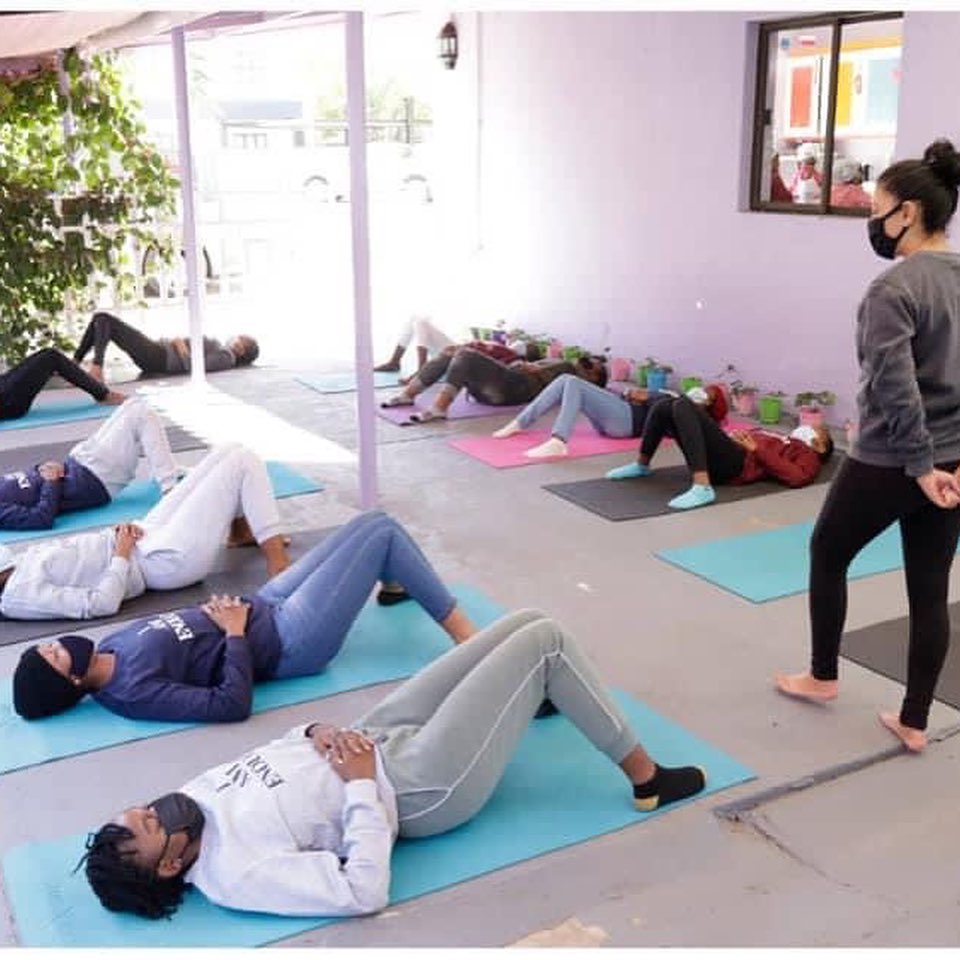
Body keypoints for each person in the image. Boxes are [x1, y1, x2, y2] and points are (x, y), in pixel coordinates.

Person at [79, 607, 707, 920]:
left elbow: (268, 755)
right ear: (169, 863)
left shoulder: (187, 805)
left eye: (138, 810)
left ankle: (528, 697)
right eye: (147, 823)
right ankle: (646, 778)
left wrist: (315, 729)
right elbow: (362, 892)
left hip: (369, 736)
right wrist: (357, 789)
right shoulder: (235, 875)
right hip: (415, 787)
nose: (151, 806)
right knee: (547, 643)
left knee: (526, 620)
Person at [775, 138, 960, 754]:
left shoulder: (893, 289)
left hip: (891, 461)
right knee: (930, 588)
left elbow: (896, 387)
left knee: (827, 550)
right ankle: (914, 722)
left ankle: (823, 676)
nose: (872, 221)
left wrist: (918, 465)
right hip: (950, 466)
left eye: (876, 207)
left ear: (906, 212)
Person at [12, 511, 477, 722]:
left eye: (47, 644)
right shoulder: (132, 693)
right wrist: (234, 634)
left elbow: (183, 636)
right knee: (382, 536)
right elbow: (229, 705)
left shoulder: (108, 648)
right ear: (70, 683)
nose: (57, 643)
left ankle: (398, 582)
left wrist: (213, 611)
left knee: (370, 522)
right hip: (289, 640)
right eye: (52, 655)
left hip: (263, 602)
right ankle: (467, 639)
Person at [0, 443, 290, 621]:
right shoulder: (19, 596)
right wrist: (121, 553)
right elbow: (99, 604)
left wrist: (113, 536)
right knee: (243, 461)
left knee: (229, 449)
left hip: (141, 535)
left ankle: (240, 531)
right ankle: (278, 567)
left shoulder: (15, 566)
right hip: (159, 562)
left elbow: (77, 557)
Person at [605, 394, 833, 510]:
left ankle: (702, 487)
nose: (812, 427)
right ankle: (642, 464)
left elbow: (798, 477)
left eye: (819, 430)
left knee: (683, 405)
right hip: (732, 450)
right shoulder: (783, 438)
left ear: (821, 445)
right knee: (665, 404)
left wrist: (757, 449)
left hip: (738, 464)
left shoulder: (808, 455)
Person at [0, 396, 181, 530]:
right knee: (141, 413)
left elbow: (26, 480)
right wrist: (51, 481)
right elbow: (40, 519)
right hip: (94, 480)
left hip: (80, 462)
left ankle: (162, 472)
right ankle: (170, 489)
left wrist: (41, 467)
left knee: (133, 404)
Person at [492, 377, 727, 459]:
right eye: (706, 388)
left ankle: (559, 441)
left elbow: (667, 423)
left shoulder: (688, 411)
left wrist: (648, 398)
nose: (703, 391)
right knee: (565, 379)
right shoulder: (678, 395)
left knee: (573, 383)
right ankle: (520, 422)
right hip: (621, 410)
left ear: (708, 406)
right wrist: (634, 394)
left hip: (627, 421)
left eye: (708, 395)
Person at [382, 347, 602, 424]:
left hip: (512, 387)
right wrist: (523, 364)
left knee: (465, 355)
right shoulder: (564, 366)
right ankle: (408, 394)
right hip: (503, 384)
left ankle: (439, 407)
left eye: (591, 366)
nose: (585, 362)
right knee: (450, 354)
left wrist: (529, 368)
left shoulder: (570, 372)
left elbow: (536, 376)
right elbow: (526, 367)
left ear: (594, 378)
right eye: (588, 360)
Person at [73, 311, 258, 379]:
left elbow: (194, 368)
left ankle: (96, 367)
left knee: (105, 319)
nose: (236, 338)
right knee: (100, 319)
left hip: (160, 358)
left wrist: (180, 345)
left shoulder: (226, 357)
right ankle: (75, 363)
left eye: (241, 339)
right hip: (158, 351)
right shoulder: (225, 352)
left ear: (242, 350)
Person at [0, 347, 125, 421]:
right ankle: (104, 395)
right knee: (51, 357)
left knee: (47, 353)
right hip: (7, 402)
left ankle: (101, 392)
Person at [374, 315, 455, 381]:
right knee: (414, 319)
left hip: (452, 358)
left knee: (420, 322)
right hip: (448, 354)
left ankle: (421, 369)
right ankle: (395, 362)